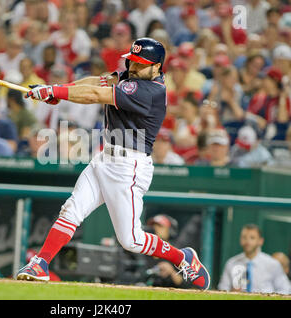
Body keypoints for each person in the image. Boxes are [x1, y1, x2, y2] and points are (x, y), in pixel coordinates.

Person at [17, 37, 211, 290]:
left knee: (131, 240)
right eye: (132, 61)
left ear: (157, 67)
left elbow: (97, 94)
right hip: (105, 158)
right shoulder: (130, 77)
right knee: (71, 210)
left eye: (141, 64)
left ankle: (182, 257)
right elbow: (96, 82)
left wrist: (55, 92)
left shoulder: (151, 91)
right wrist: (59, 89)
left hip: (128, 167)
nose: (133, 68)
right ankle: (40, 263)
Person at [218, 224, 290, 294]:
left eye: (252, 238)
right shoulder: (231, 263)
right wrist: (232, 292)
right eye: (244, 237)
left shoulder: (273, 264)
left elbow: (286, 289)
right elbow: (222, 289)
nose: (247, 241)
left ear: (260, 241)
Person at [143, 214, 190, 288]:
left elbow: (188, 285)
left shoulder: (179, 254)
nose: (155, 229)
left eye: (160, 226)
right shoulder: (143, 250)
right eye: (153, 226)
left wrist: (171, 272)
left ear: (170, 230)